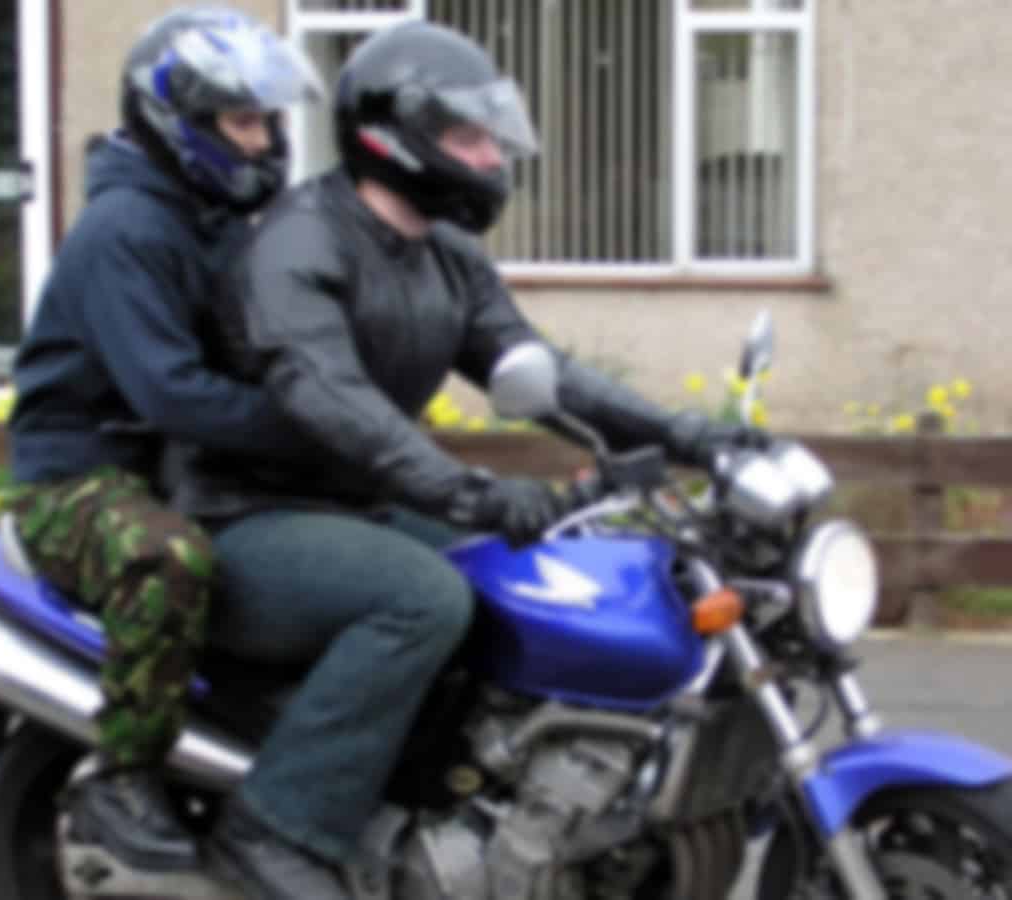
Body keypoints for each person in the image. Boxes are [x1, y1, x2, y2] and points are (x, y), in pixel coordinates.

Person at [167, 19, 768, 900]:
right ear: (395, 138)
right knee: (423, 599)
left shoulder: (444, 253)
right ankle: (273, 828)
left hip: (355, 506)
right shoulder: (297, 245)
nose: (491, 157)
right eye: (468, 137)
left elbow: (543, 372)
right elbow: (338, 404)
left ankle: (457, 802)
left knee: (534, 573)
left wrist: (693, 436)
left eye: (492, 135)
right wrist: (475, 492)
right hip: (248, 516)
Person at [4, 5, 324, 873]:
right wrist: (308, 429)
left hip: (180, 465)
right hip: (82, 477)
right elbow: (172, 392)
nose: (265, 142)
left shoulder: (210, 216)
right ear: (178, 121)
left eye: (269, 122)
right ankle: (124, 773)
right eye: (244, 122)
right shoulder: (128, 229)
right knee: (166, 559)